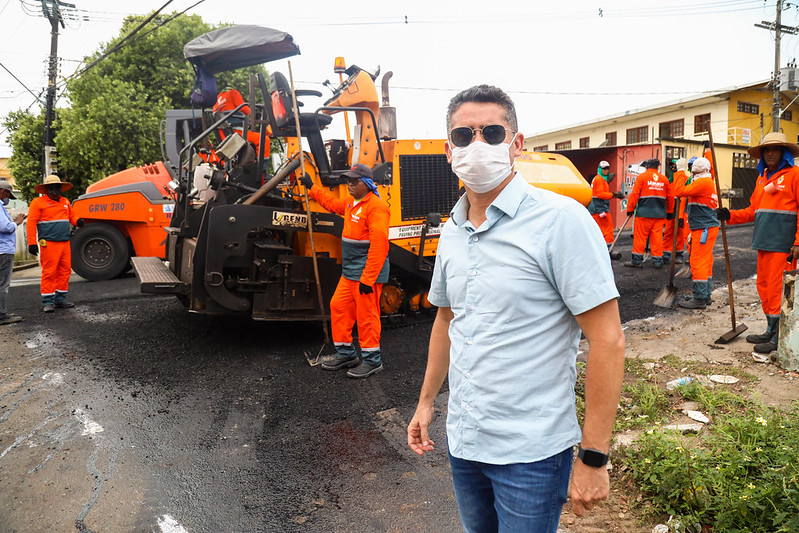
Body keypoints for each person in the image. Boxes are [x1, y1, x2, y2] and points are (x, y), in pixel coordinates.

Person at [406, 85, 625, 532]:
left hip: (532, 454)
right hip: (465, 442)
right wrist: (426, 403)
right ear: (450, 151)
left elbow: (608, 339)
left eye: (491, 132)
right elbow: (447, 319)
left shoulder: (560, 221)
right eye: (465, 136)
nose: (478, 144)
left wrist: (594, 456)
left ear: (517, 143)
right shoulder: (453, 229)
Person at [300, 164, 390, 378]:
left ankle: (372, 361)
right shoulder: (352, 203)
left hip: (366, 274)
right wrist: (312, 188)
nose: (349, 184)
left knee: (366, 316)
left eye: (354, 181)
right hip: (350, 272)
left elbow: (380, 245)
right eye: (348, 180)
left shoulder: (376, 207)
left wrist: (368, 278)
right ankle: (347, 354)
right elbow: (332, 203)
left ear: (366, 184)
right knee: (338, 306)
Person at [718, 132, 799, 354]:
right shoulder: (762, 178)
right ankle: (771, 330)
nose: (770, 153)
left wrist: (798, 242)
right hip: (763, 242)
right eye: (766, 150)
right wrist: (729, 215)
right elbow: (754, 210)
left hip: (783, 245)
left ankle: (779, 337)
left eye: (774, 149)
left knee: (777, 291)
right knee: (763, 287)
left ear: (784, 153)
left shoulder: (795, 175)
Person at [26, 175, 84, 313]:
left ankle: (60, 299)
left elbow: (72, 216)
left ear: (60, 188)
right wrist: (32, 243)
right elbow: (31, 223)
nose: (55, 189)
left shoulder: (65, 202)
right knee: (49, 272)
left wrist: (78, 221)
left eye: (57, 187)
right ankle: (48, 302)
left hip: (64, 242)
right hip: (49, 243)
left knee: (65, 271)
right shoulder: (37, 203)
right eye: (52, 187)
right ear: (46, 189)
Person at [673, 157, 719, 309]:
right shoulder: (705, 182)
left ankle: (699, 297)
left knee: (698, 261)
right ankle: (705, 295)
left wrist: (679, 172)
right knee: (706, 261)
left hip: (703, 227)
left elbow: (679, 191)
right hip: (704, 226)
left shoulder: (703, 183)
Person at [624, 158, 674, 268]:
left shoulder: (642, 178)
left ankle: (637, 261)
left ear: (647, 166)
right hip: (659, 215)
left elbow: (635, 194)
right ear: (658, 167)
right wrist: (670, 211)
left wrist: (630, 209)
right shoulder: (664, 179)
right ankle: (657, 261)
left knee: (640, 238)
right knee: (657, 239)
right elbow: (670, 197)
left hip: (644, 214)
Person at [0, 181, 26, 325]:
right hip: (3, 251)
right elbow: (5, 227)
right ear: (3, 192)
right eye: (8, 195)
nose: (8, 198)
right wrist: (17, 222)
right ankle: (2, 315)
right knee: (3, 284)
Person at [587, 160, 624, 257]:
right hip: (600, 210)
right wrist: (613, 194)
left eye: (607, 168)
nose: (606, 170)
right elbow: (600, 194)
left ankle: (599, 249)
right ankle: (608, 250)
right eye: (604, 168)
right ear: (599, 169)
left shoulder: (599, 179)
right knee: (608, 230)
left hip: (596, 209)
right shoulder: (599, 180)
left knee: (599, 230)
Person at [663, 158, 689, 265]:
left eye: (674, 166)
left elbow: (683, 197)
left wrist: (681, 215)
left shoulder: (686, 179)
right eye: (672, 166)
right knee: (668, 231)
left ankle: (678, 254)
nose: (673, 168)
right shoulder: (669, 180)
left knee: (679, 232)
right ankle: (666, 253)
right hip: (671, 209)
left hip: (680, 209)